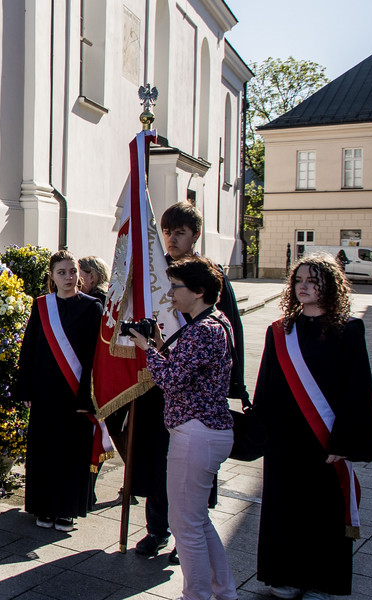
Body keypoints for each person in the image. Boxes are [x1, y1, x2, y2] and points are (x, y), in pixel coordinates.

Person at [113, 201, 245, 561]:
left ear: (195, 236)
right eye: (167, 231)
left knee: (192, 470)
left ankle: (189, 534)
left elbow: (232, 332)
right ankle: (157, 528)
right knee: (158, 461)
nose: (172, 238)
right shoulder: (154, 273)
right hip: (157, 383)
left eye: (180, 232)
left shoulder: (209, 277)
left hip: (197, 394)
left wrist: (235, 386)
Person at [253, 255, 372, 600]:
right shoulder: (279, 330)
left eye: (314, 280)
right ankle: (285, 575)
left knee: (322, 513)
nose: (304, 286)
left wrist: (346, 442)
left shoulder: (348, 329)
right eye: (299, 280)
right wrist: (259, 433)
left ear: (330, 286)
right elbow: (266, 386)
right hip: (284, 440)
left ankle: (322, 581)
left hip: (324, 440)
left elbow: (357, 390)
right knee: (285, 508)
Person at [128, 256, 236, 600]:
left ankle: (197, 595)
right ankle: (224, 591)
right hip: (204, 431)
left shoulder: (203, 329)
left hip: (195, 433)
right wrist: (161, 345)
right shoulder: (214, 322)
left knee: (185, 526)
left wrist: (147, 350)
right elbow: (186, 369)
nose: (170, 293)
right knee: (198, 521)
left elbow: (171, 380)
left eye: (176, 287)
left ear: (199, 291)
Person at [17, 250, 103, 531]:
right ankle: (43, 506)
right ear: (52, 277)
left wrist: (88, 397)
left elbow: (94, 355)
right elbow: (29, 347)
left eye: (73, 272)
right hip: (44, 390)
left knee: (71, 452)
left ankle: (66, 509)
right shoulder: (42, 305)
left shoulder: (92, 307)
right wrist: (26, 388)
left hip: (75, 393)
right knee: (44, 450)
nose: (69, 277)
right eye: (62, 272)